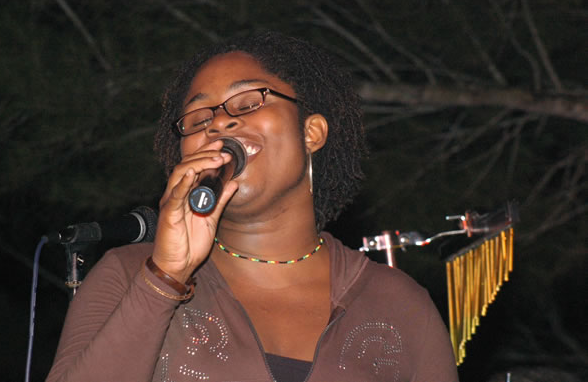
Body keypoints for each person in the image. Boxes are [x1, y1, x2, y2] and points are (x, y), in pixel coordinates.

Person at [47, 32, 458, 382]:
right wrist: (165, 277)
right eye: (197, 117)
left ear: (311, 132)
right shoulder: (127, 275)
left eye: (247, 103)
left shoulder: (401, 304)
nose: (218, 123)